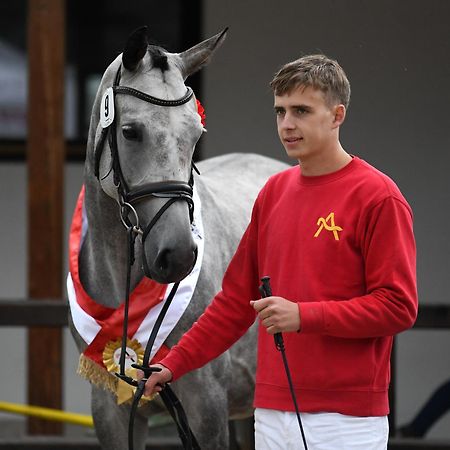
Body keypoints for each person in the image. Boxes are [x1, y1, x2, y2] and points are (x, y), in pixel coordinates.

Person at [139, 54, 418, 449]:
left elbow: (398, 306)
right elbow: (234, 303)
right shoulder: (272, 193)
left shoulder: (378, 197)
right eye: (280, 111)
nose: (287, 124)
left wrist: (304, 315)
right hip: (269, 414)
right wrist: (174, 364)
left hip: (346, 419)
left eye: (301, 111)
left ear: (337, 115)